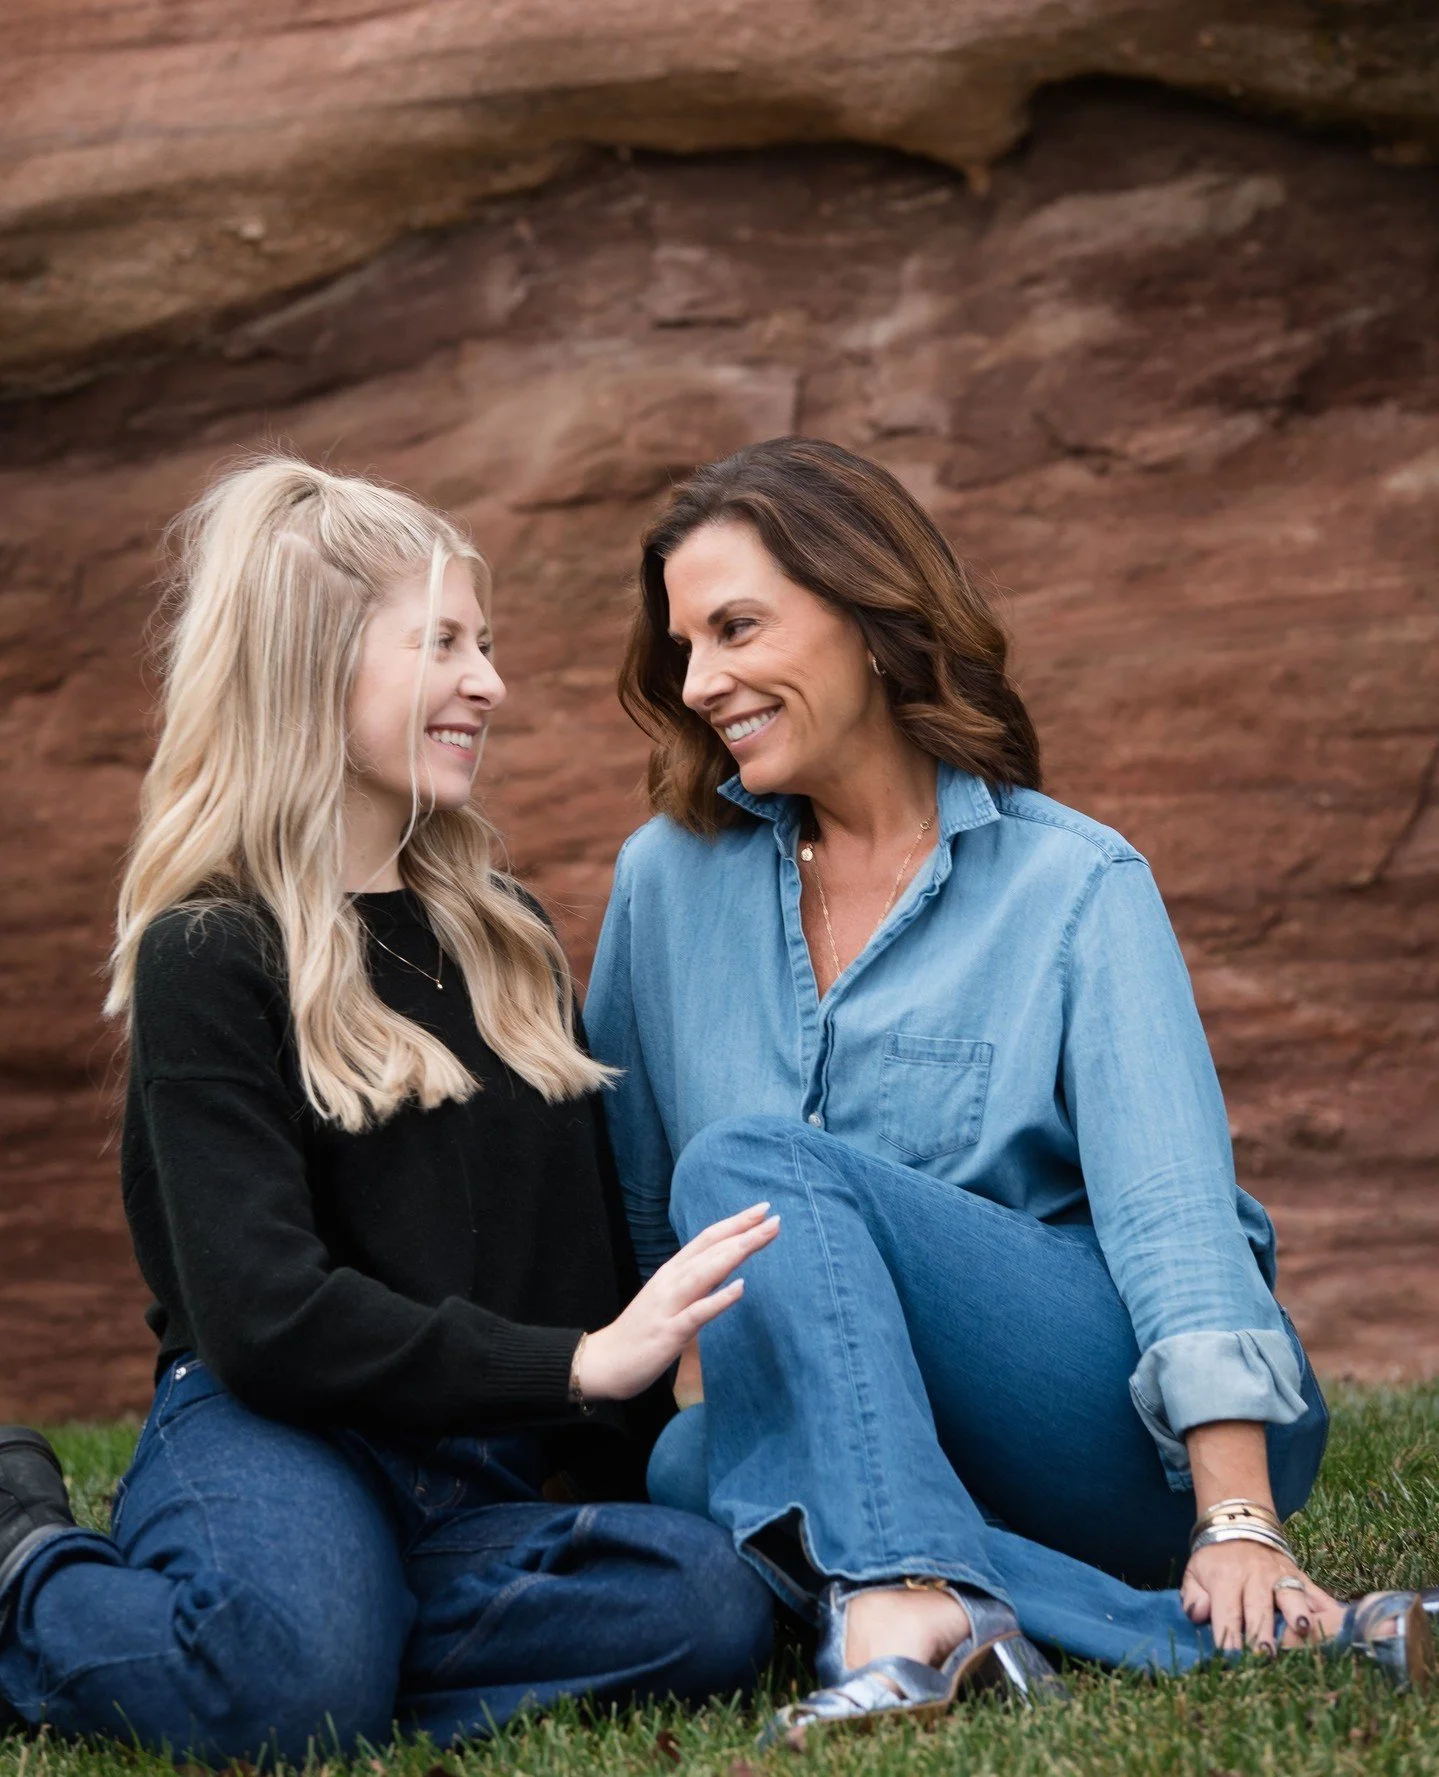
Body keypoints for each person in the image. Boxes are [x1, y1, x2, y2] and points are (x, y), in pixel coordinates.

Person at [584, 435, 1435, 1746]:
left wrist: (1235, 1517)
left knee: (751, 1166)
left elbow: (1170, 1210)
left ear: (869, 619)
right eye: (681, 647)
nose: (699, 682)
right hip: (882, 1437)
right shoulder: (663, 884)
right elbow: (643, 1214)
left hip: (1084, 1413)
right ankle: (990, 1604)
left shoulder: (1074, 885)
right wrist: (733, 1392)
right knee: (692, 1465)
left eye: (735, 629)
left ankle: (907, 1589)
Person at [0, 457, 776, 1764]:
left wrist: (616, 1445)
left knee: (707, 1602)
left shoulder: (506, 935)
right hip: (279, 1431)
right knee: (285, 1704)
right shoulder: (212, 951)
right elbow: (262, 1317)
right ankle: (27, 1563)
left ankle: (319, 1636)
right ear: (313, 668)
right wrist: (576, 1366)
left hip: (469, 1474)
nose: (489, 682)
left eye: (488, 644)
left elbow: (577, 1249)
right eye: (444, 644)